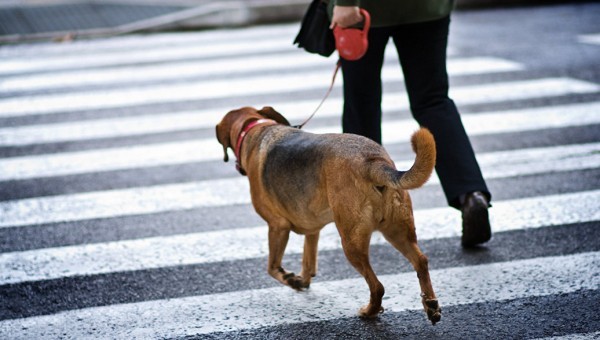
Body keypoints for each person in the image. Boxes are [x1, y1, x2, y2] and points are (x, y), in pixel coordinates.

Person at [328, 0, 492, 247]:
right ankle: (471, 193)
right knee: (433, 101)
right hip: (427, 9)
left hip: (364, 10)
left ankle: (364, 205)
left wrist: (345, 3)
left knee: (361, 104)